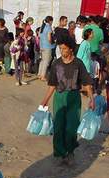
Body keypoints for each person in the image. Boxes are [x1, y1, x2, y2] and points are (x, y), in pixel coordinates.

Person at [40, 38, 94, 166]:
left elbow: (86, 82)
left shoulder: (78, 64)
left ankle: (70, 152)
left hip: (74, 97)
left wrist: (92, 99)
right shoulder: (56, 64)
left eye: (64, 48)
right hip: (59, 97)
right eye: (60, 49)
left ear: (71, 49)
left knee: (71, 127)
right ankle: (60, 153)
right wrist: (45, 100)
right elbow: (52, 84)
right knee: (58, 127)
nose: (62, 51)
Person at [38, 16, 55, 81]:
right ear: (50, 21)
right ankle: (43, 76)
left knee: (42, 60)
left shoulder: (42, 27)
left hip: (42, 46)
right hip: (47, 46)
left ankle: (39, 74)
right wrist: (52, 42)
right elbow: (49, 38)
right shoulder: (48, 27)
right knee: (46, 61)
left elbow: (39, 36)